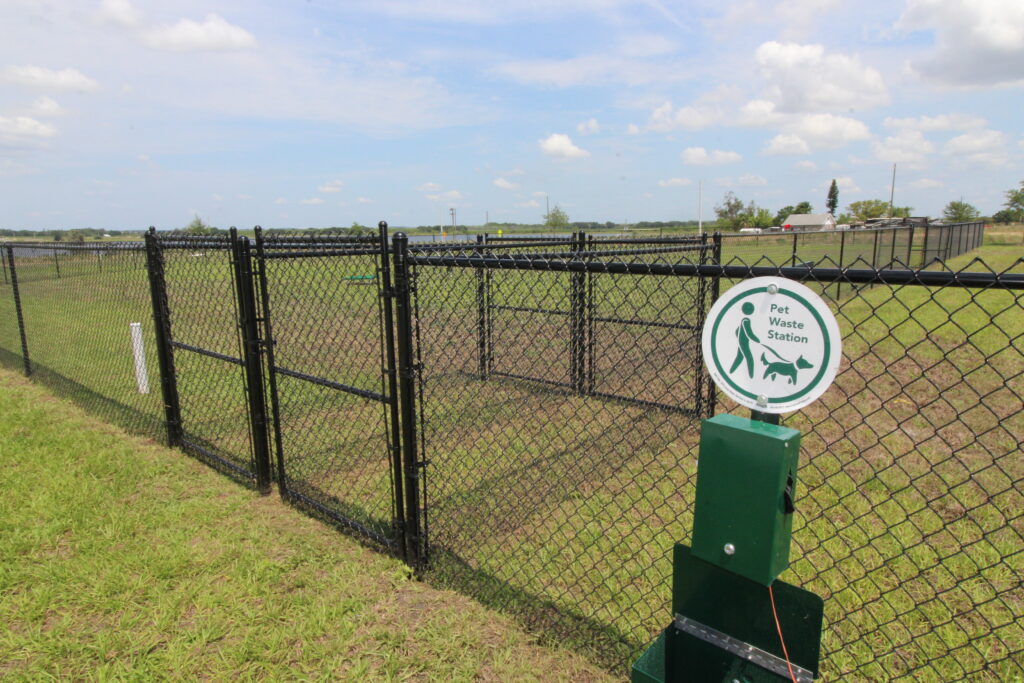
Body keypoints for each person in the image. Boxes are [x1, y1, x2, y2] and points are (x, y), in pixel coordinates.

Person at [729, 301, 760, 378]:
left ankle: (731, 371)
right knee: (749, 358)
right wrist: (757, 340)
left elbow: (737, 331)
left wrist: (739, 337)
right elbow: (749, 333)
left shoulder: (743, 320)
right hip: (744, 342)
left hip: (742, 341)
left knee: (740, 357)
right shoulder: (746, 320)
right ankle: (752, 376)